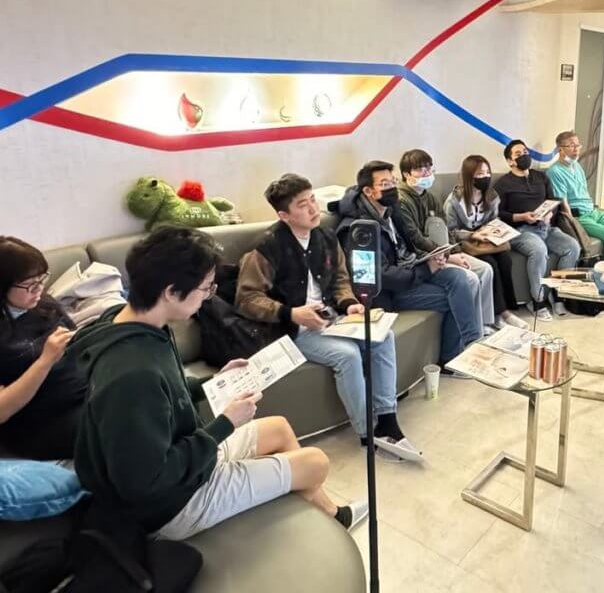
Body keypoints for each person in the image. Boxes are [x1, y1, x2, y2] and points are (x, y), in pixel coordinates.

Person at [69, 226, 366, 539]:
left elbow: (164, 395)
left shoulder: (136, 322)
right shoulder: (131, 374)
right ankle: (312, 521)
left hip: (185, 457)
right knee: (315, 463)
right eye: (206, 288)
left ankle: (332, 517)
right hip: (171, 505)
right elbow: (147, 481)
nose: (209, 296)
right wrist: (226, 423)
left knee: (277, 428)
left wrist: (212, 383)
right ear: (171, 292)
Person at [237, 174, 420, 463]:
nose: (313, 209)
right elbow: (247, 299)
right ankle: (367, 432)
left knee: (383, 336)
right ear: (284, 215)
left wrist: (349, 304)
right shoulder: (267, 247)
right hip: (292, 329)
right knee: (347, 355)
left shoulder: (324, 237)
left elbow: (340, 280)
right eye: (302, 205)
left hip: (331, 318)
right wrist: (291, 313)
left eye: (313, 199)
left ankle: (387, 419)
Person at [333, 161, 483, 369]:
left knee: (458, 277)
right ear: (368, 191)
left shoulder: (390, 211)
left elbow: (410, 243)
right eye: (385, 184)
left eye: (393, 181)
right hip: (389, 292)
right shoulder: (358, 230)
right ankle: (463, 353)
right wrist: (425, 269)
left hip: (410, 269)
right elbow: (379, 275)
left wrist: (433, 257)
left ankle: (467, 348)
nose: (392, 188)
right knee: (457, 297)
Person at [0, 237, 87, 460]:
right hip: (38, 423)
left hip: (82, 393)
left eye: (42, 280)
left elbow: (75, 340)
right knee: (118, 423)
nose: (39, 289)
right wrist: (45, 361)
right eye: (31, 284)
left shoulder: (42, 303)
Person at [396, 149, 495, 333]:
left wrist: (455, 252)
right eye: (420, 169)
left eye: (429, 168)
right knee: (471, 279)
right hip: (424, 259)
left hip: (443, 253)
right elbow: (414, 237)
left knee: (486, 269)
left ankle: (485, 323)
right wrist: (447, 256)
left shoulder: (429, 196)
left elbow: (445, 229)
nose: (427, 173)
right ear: (406, 174)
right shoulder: (401, 201)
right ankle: (473, 332)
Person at [494, 139, 581, 321]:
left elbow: (553, 201)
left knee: (573, 246)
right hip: (521, 230)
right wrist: (522, 217)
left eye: (526, 152)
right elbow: (498, 214)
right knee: (539, 250)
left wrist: (549, 214)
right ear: (510, 161)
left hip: (546, 227)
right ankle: (537, 301)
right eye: (518, 154)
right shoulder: (503, 184)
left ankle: (557, 294)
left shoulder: (541, 177)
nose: (524, 156)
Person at [443, 155, 529, 329]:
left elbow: (494, 220)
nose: (486, 177)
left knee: (505, 258)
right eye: (480, 174)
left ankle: (507, 309)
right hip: (466, 243)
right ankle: (499, 314)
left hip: (486, 241)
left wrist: (495, 232)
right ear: (469, 176)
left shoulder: (492, 196)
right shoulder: (454, 201)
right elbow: (450, 231)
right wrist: (472, 235)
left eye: (487, 172)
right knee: (490, 264)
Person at [546, 131, 604, 262]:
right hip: (580, 217)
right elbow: (563, 203)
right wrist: (573, 224)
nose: (576, 149)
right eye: (571, 145)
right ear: (560, 149)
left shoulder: (576, 166)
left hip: (593, 211)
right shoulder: (555, 172)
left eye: (578, 145)